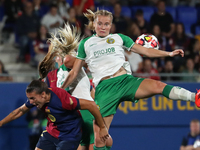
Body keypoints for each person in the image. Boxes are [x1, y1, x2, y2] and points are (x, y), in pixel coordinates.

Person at [60, 9, 200, 150]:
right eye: (100, 23)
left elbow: (145, 51)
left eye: (107, 24)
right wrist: (59, 90)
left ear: (111, 25)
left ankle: (195, 97)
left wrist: (169, 53)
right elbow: (74, 72)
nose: (103, 27)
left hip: (126, 81)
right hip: (105, 88)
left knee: (158, 86)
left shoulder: (119, 38)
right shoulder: (86, 43)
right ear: (94, 24)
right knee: (100, 138)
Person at [0, 79, 109, 150]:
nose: (31, 102)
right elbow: (19, 111)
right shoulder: (38, 99)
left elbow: (91, 105)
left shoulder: (63, 100)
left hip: (69, 135)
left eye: (32, 98)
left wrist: (103, 127)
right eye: (29, 99)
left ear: (43, 94)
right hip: (52, 132)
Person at [38, 24, 96, 150]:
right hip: (74, 116)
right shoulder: (57, 75)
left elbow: (70, 59)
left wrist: (87, 63)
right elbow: (92, 93)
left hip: (83, 112)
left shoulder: (68, 63)